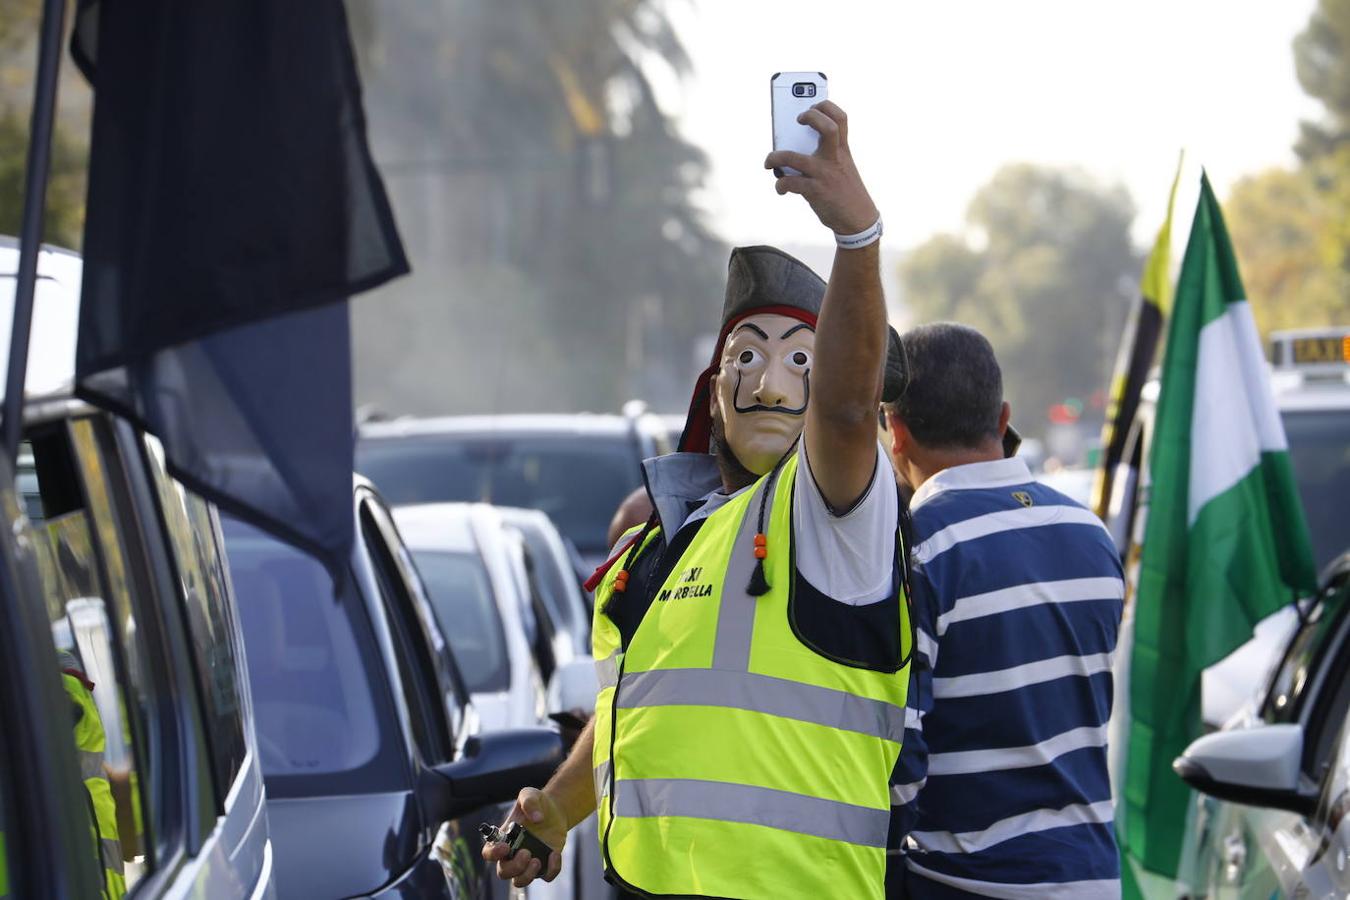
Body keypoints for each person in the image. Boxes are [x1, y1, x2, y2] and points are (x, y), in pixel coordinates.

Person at [485, 101, 912, 899]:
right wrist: (556, 812)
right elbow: (645, 707)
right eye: (743, 356)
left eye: (799, 357)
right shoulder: (658, 539)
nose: (766, 377)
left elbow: (850, 411)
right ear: (713, 393)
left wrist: (856, 237)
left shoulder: (832, 516)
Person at [880, 324, 1123, 898]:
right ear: (1002, 415)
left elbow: (901, 759)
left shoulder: (918, 546)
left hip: (967, 884)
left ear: (896, 431)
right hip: (1090, 877)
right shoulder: (1088, 533)